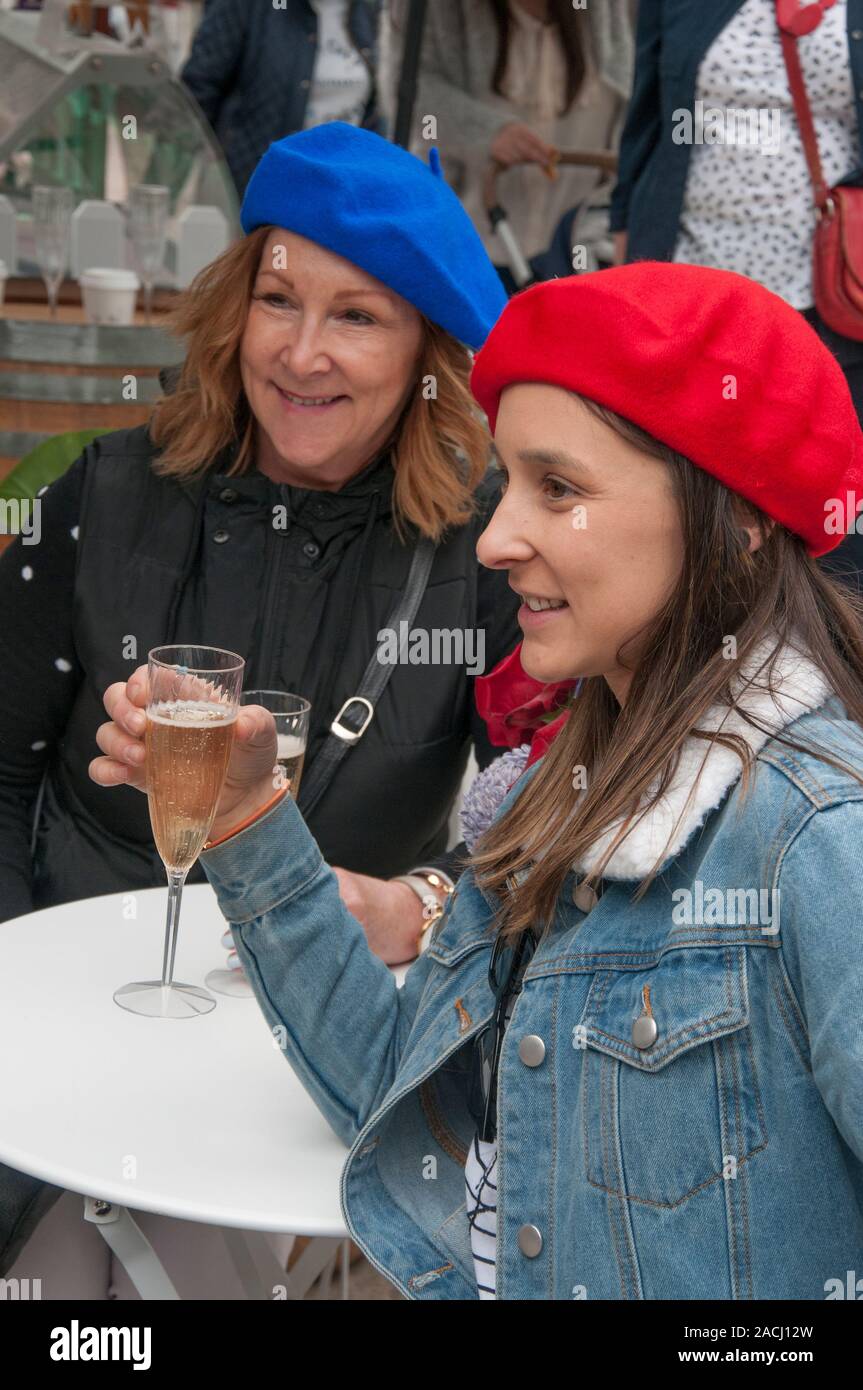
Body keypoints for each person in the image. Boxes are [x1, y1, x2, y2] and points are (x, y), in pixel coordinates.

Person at [92, 261, 863, 1299]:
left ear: (732, 515)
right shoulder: (563, 797)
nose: (495, 541)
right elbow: (409, 1106)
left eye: (560, 488)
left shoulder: (820, 838)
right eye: (508, 484)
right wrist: (243, 818)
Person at [0, 121, 518, 1274]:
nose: (301, 353)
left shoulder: (486, 556)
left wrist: (422, 905)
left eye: (357, 316)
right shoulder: (100, 492)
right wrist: (23, 985)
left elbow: (560, 825)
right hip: (68, 1019)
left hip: (306, 1071)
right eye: (279, 299)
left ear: (425, 353)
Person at [610, 0, 863, 591]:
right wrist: (628, 254)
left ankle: (833, 660)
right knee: (690, 482)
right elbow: (645, 120)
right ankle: (695, 650)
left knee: (826, 489)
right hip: (693, 289)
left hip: (827, 288)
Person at [397, 0, 634, 288]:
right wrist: (484, 132)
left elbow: (645, 89)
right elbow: (407, 86)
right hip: (476, 237)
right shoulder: (437, 11)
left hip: (584, 240)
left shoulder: (613, 12)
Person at [182, 0, 385, 197]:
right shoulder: (252, 6)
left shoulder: (368, 10)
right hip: (254, 195)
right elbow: (196, 94)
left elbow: (372, 111)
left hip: (333, 195)